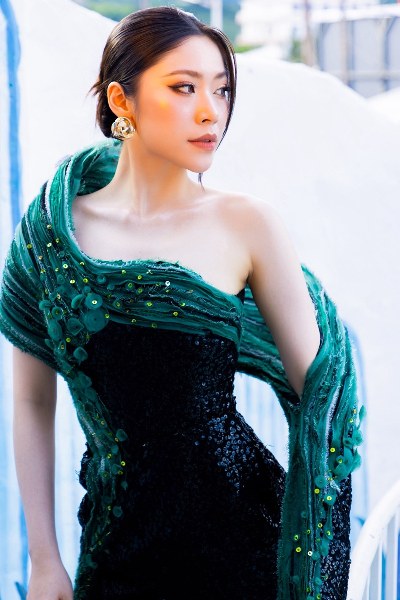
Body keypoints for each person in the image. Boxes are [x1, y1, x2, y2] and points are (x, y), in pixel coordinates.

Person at [0, 6, 363, 600]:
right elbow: (31, 399)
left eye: (221, 90)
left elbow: (322, 390)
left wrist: (312, 558)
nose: (210, 111)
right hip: (118, 541)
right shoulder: (51, 239)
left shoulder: (246, 224)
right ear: (121, 100)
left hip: (245, 545)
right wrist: (45, 560)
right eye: (183, 87)